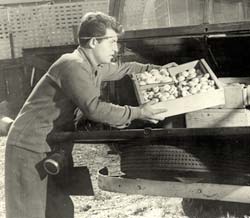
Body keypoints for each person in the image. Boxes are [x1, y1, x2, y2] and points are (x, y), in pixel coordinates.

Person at [5, 11, 175, 218]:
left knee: (60, 211)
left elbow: (125, 68)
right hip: (28, 147)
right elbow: (94, 108)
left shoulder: (93, 66)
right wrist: (139, 112)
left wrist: (158, 69)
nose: (116, 48)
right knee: (29, 213)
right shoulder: (72, 65)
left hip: (53, 145)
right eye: (112, 42)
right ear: (94, 42)